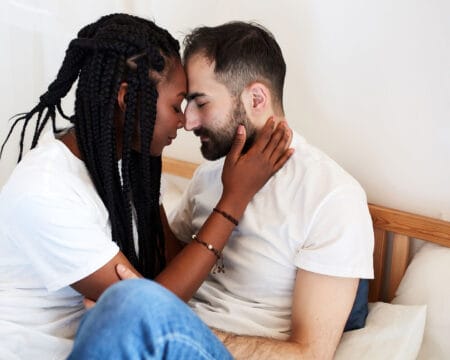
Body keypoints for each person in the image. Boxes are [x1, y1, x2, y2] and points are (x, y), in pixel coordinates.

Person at [0, 14, 292, 359]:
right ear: (128, 99)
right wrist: (233, 199)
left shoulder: (131, 169)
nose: (185, 121)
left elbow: (165, 265)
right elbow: (147, 310)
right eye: (177, 105)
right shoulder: (45, 189)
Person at [163, 21, 374, 359]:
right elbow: (170, 265)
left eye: (200, 103)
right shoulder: (208, 174)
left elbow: (310, 353)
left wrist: (177, 336)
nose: (188, 122)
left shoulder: (331, 196)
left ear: (256, 98)